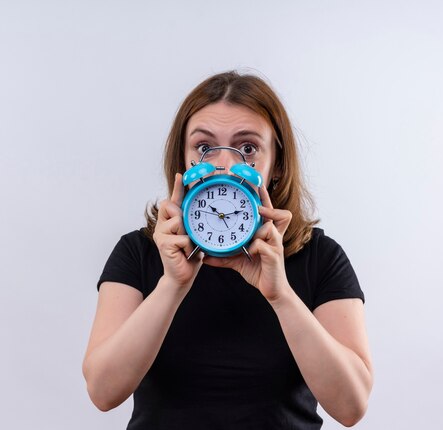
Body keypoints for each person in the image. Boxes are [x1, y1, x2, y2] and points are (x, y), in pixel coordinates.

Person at [82, 71, 373, 429]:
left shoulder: (321, 258)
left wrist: (281, 295)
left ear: (276, 165)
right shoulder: (137, 252)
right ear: (183, 161)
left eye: (247, 148)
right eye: (204, 148)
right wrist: (171, 286)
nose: (224, 165)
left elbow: (351, 406)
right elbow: (102, 391)